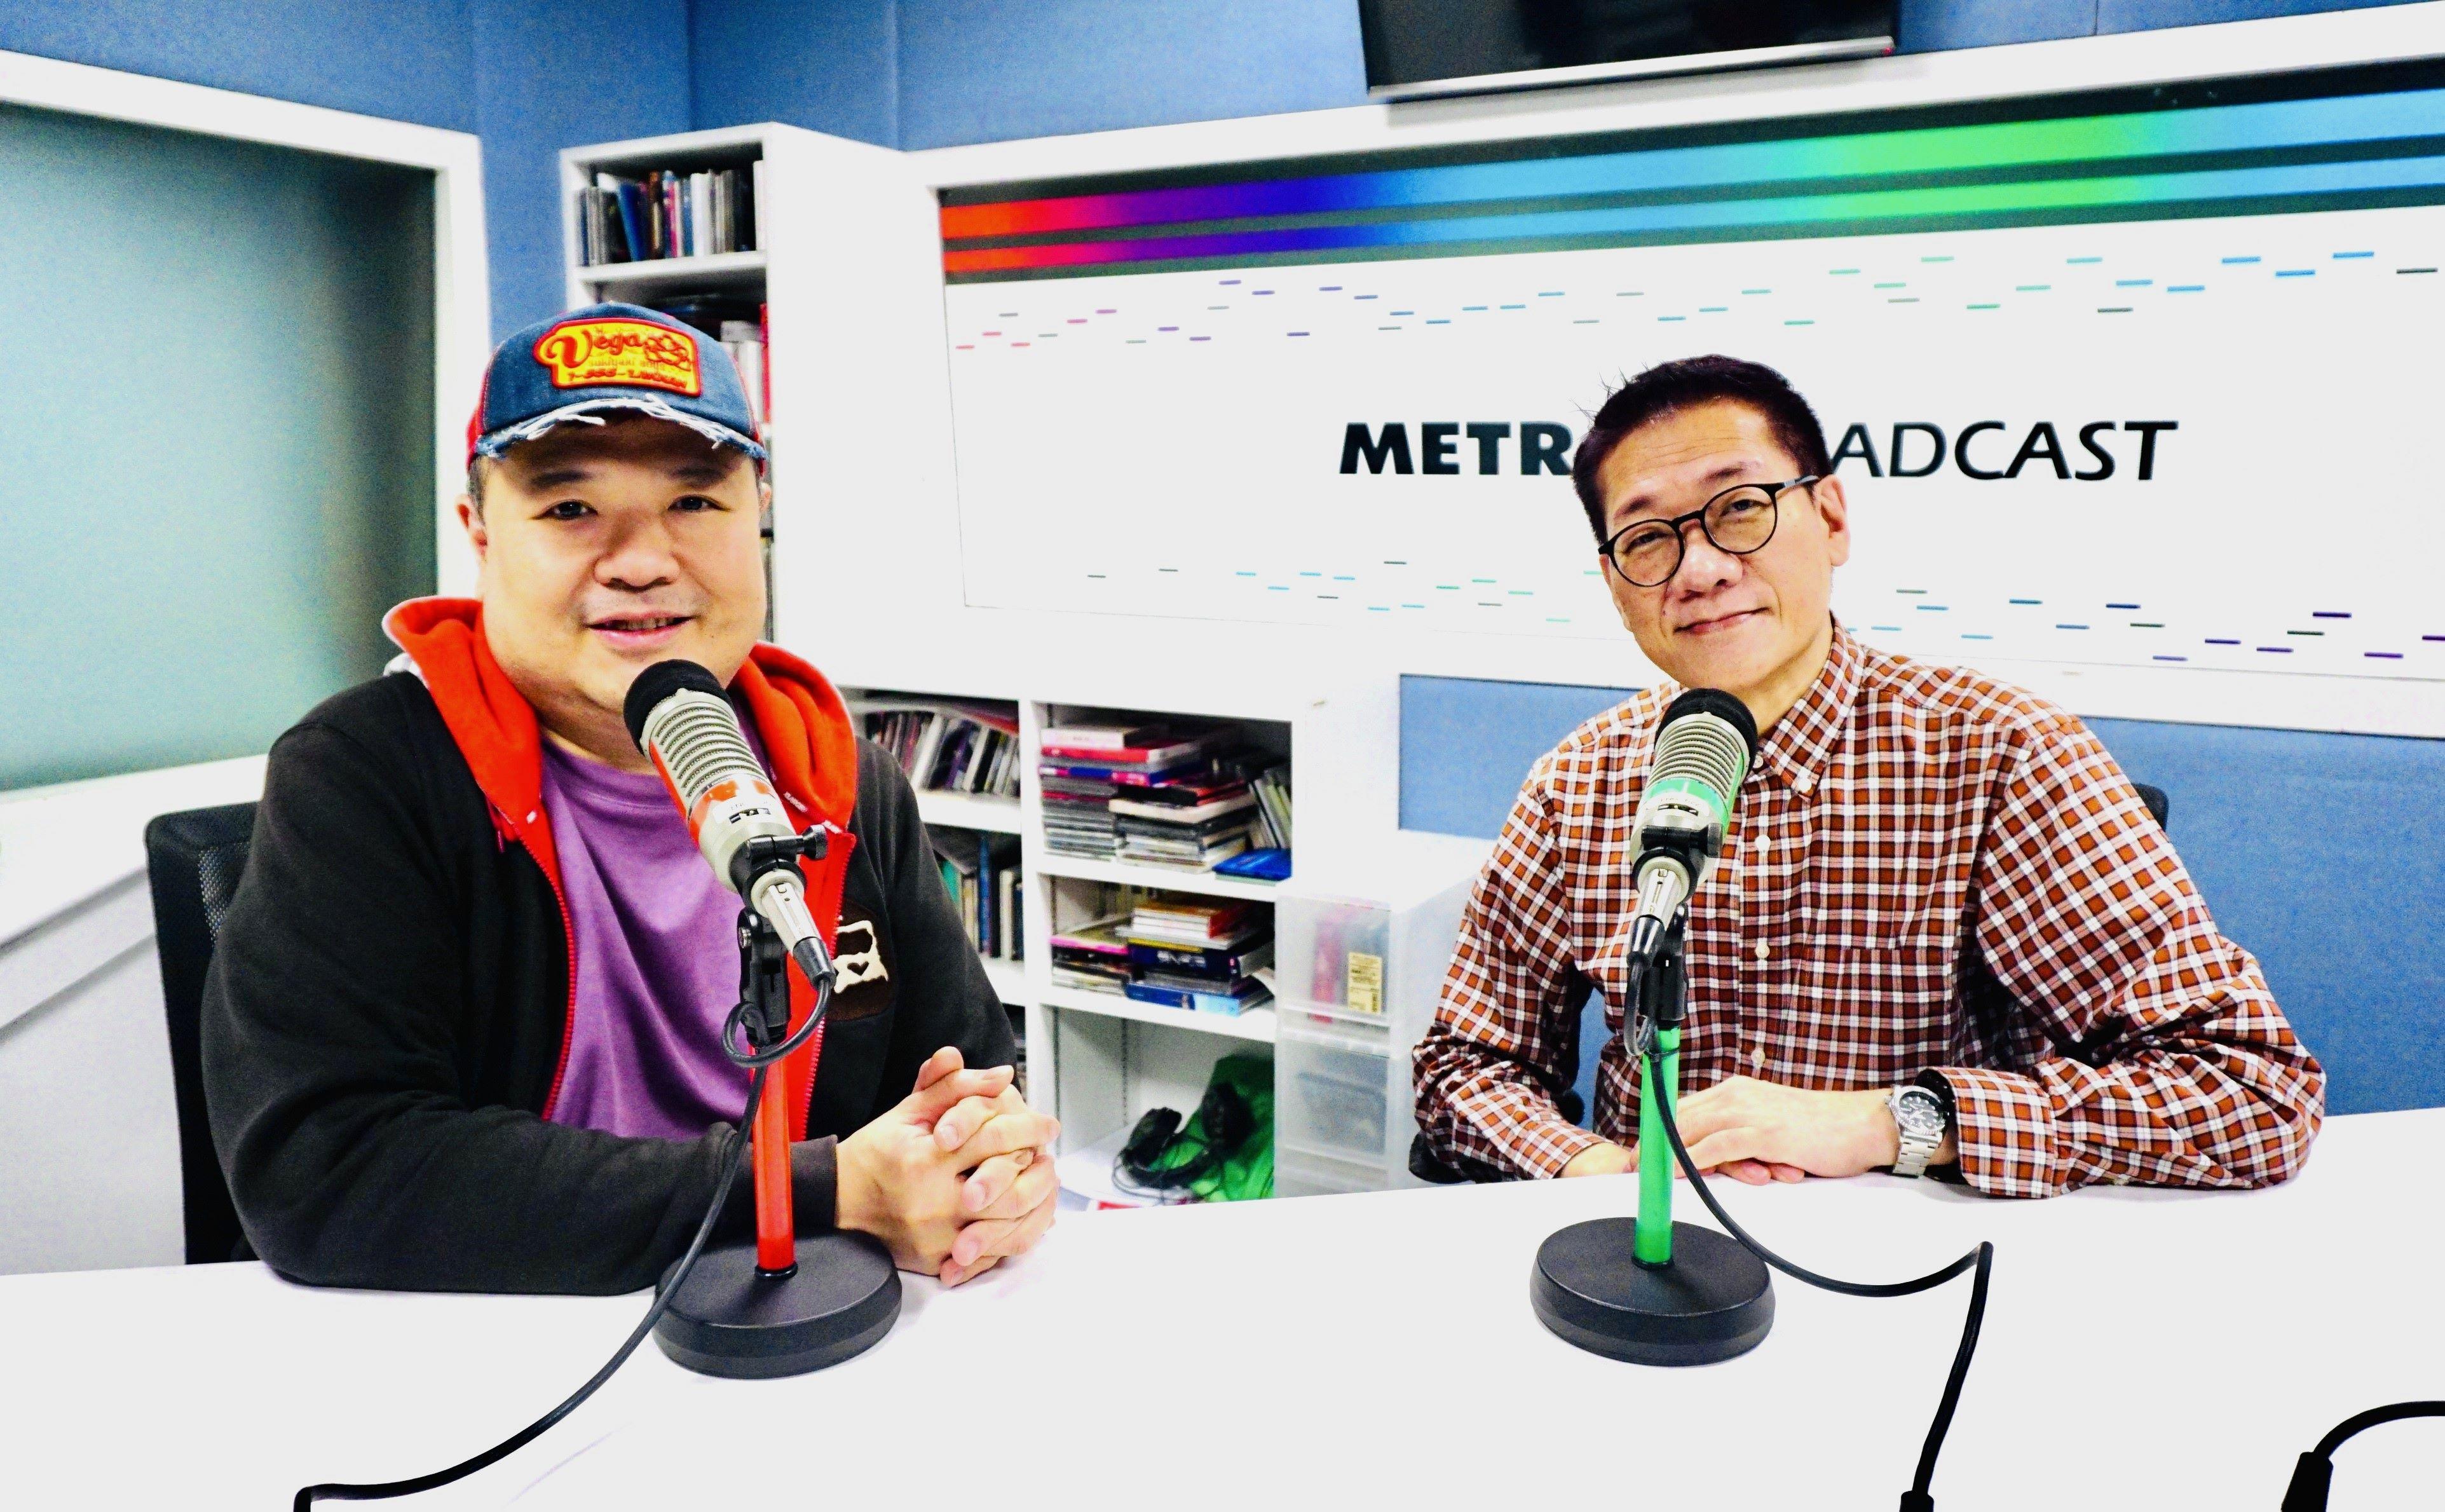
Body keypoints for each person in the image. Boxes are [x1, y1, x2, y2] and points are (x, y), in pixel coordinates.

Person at [204, 303, 1058, 1292]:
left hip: (807, 1319)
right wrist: (818, 1190)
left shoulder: (842, 781)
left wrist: (992, 1170)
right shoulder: (365, 774)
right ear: (480, 534)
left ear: (758, 518)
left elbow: (966, 1087)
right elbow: (327, 1174)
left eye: (695, 501)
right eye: (570, 509)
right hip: (487, 1335)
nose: (644, 561)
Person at [1412, 355, 2323, 1197]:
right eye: (1648, 539)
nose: (1701, 570)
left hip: (1912, 1258)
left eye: (1739, 509)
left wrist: (1889, 1124)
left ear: (1832, 520)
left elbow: (2252, 1088)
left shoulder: (2000, 752)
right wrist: (1599, 1170)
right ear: (1616, 586)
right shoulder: (1578, 782)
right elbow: (1465, 1067)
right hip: (1650, 1244)